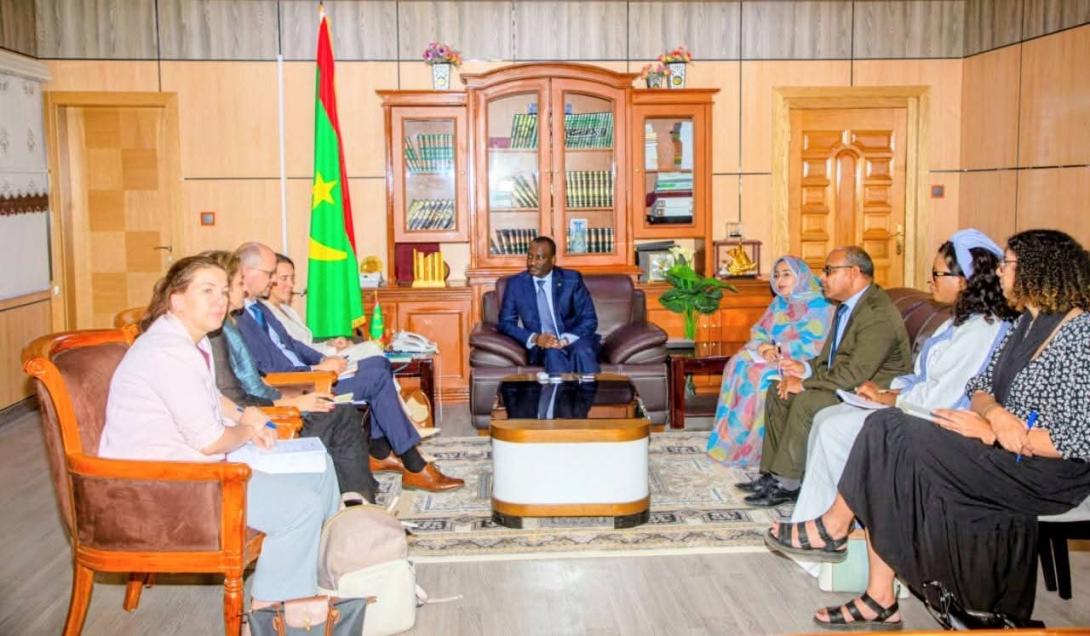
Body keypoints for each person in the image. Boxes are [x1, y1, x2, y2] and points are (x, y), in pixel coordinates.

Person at [766, 229, 1090, 630]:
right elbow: (979, 387)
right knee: (884, 428)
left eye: (1007, 264)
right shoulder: (1026, 323)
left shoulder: (1079, 334)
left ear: (1039, 270)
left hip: (1045, 472)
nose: (999, 273)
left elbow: (1077, 440)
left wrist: (996, 432)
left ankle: (843, 541)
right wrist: (995, 415)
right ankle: (875, 591)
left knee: (887, 433)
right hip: (1001, 447)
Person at [98, 255, 340, 607]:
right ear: (177, 300)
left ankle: (314, 579)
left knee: (320, 467)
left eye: (224, 291)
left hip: (195, 466)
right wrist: (247, 428)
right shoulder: (169, 352)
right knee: (301, 508)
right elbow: (211, 442)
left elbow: (212, 397)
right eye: (207, 291)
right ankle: (270, 614)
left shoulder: (188, 340)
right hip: (165, 486)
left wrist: (246, 415)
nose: (220, 300)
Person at [789, 230, 1016, 575]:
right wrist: (886, 391)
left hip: (943, 424)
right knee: (828, 419)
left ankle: (843, 536)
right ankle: (826, 530)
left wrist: (889, 398)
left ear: (964, 281)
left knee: (836, 427)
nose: (930, 280)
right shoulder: (956, 323)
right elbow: (922, 377)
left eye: (937, 273)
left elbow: (942, 398)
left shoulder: (981, 329)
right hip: (917, 406)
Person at [233, 241, 463, 493]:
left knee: (378, 362)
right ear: (246, 272)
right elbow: (270, 369)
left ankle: (379, 451)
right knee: (376, 377)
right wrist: (316, 372)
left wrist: (323, 360)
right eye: (269, 274)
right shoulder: (239, 317)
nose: (273, 281)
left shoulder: (257, 308)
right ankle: (414, 465)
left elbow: (292, 345)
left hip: (311, 374)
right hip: (300, 387)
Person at [737, 246, 913, 507]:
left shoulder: (877, 314)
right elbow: (830, 358)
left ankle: (788, 483)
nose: (822, 277)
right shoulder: (847, 306)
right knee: (778, 389)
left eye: (829, 271)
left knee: (806, 401)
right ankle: (773, 474)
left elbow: (855, 374)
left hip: (869, 391)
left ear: (853, 272)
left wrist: (805, 384)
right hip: (845, 380)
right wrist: (804, 368)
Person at [202, 250, 380, 503]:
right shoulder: (218, 334)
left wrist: (290, 399)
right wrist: (292, 403)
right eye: (240, 283)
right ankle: (358, 503)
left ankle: (355, 500)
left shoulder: (230, 325)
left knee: (340, 411)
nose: (245, 289)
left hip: (269, 406)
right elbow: (237, 398)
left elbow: (255, 379)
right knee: (341, 416)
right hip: (266, 424)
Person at [707, 256, 834, 466]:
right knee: (737, 363)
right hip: (773, 356)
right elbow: (760, 330)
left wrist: (781, 349)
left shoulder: (822, 305)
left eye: (786, 275)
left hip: (802, 362)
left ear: (801, 276)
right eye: (776, 275)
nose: (780, 280)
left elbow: (820, 344)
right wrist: (763, 347)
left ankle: (752, 448)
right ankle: (731, 440)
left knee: (758, 375)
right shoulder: (780, 303)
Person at [498, 236, 600, 376]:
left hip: (574, 338)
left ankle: (590, 390)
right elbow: (505, 323)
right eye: (530, 257)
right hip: (542, 345)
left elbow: (589, 319)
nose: (532, 262)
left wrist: (565, 339)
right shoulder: (516, 284)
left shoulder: (572, 280)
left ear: (552, 260)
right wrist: (535, 338)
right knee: (552, 353)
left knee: (582, 351)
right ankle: (559, 390)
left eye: (539, 258)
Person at [263, 253, 383, 362]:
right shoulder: (265, 313)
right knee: (372, 350)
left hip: (319, 355)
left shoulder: (287, 309)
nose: (290, 284)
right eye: (284, 278)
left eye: (292, 278)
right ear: (269, 279)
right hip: (312, 364)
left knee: (372, 350)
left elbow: (307, 344)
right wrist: (332, 350)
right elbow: (295, 350)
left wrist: (330, 343)